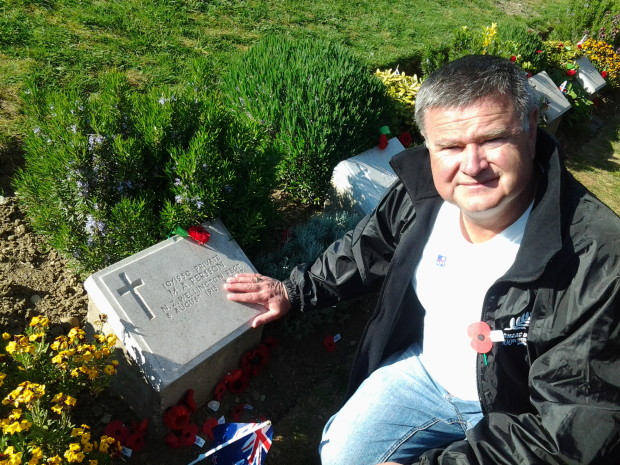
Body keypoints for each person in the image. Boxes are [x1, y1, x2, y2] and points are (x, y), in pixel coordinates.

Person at [224, 54, 620, 465]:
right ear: (428, 145)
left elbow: (569, 430)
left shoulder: (597, 259)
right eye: (450, 146)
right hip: (426, 376)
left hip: (517, 409)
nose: (472, 166)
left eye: (492, 139)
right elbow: (368, 248)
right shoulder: (422, 196)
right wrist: (295, 291)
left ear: (531, 127)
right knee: (342, 454)